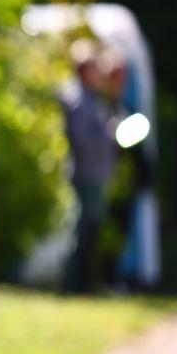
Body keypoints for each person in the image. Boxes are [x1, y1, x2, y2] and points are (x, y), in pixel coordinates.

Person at [60, 39, 120, 293]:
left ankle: (82, 284)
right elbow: (81, 140)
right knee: (83, 231)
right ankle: (74, 285)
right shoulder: (78, 100)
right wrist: (109, 135)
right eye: (95, 68)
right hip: (86, 174)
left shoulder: (93, 98)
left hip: (97, 173)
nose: (100, 73)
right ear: (84, 70)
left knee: (91, 230)